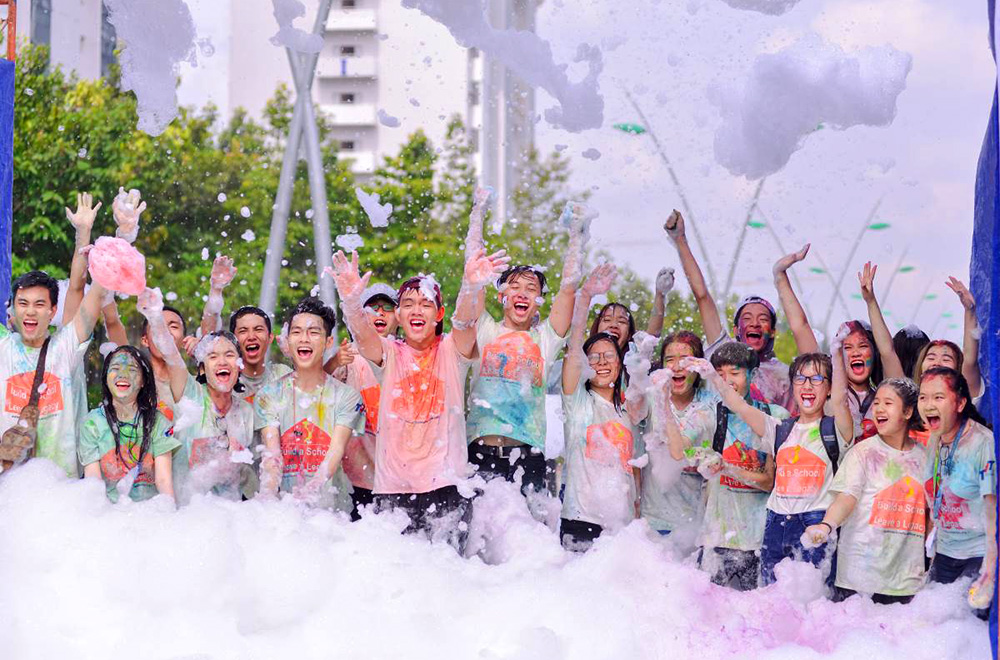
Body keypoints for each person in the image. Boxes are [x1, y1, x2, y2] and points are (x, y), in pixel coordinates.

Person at [327, 247, 509, 552]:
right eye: (408, 304)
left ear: (438, 314)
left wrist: (470, 286)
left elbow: (464, 324)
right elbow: (363, 338)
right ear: (398, 314)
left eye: (426, 304)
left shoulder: (452, 351)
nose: (416, 310)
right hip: (391, 491)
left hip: (448, 488)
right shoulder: (389, 352)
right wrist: (350, 303)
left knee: (445, 583)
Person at [688, 325, 854, 585]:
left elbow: (843, 400)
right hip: (775, 523)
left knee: (812, 605)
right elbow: (739, 405)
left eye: (817, 379)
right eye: (800, 378)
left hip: (814, 522)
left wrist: (836, 355)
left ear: (829, 388)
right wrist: (714, 376)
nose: (807, 386)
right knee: (769, 603)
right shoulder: (780, 428)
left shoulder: (835, 429)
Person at [464, 192, 584, 496]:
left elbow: (569, 290)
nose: (522, 293)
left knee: (529, 539)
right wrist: (477, 213)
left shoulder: (544, 340)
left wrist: (576, 234)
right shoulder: (485, 330)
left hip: (528, 457)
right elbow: (473, 273)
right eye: (514, 286)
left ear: (538, 303)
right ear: (502, 297)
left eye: (531, 289)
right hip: (480, 454)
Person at [0, 193, 114, 476]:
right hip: (7, 491)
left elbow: (89, 290)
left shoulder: (65, 348)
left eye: (40, 305)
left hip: (60, 494)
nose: (30, 312)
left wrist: (84, 234)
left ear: (52, 312)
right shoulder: (3, 346)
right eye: (23, 304)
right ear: (11, 310)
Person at [670, 342, 786, 590]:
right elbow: (678, 450)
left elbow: (769, 483)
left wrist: (727, 467)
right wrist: (660, 401)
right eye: (719, 375)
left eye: (734, 373)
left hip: (759, 542)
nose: (726, 382)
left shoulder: (775, 416)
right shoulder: (708, 413)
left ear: (752, 375)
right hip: (715, 540)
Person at [803, 379, 929, 604]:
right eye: (877, 402)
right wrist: (826, 525)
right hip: (860, 578)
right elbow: (846, 498)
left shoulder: (926, 457)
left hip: (907, 580)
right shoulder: (862, 453)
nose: (879, 408)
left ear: (908, 411)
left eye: (888, 403)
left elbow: (930, 513)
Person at [664, 209, 792, 409]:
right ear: (736, 330)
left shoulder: (786, 376)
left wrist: (781, 277)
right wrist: (680, 239)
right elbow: (703, 297)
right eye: (747, 318)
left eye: (763, 319)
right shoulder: (723, 355)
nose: (755, 323)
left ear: (773, 330)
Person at [138, 288, 254, 504]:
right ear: (202, 368)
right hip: (188, 516)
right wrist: (155, 317)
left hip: (232, 517)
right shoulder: (190, 396)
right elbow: (171, 355)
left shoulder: (246, 411)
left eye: (229, 355)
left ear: (239, 365)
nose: (222, 362)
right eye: (212, 356)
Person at [560, 263, 646, 551]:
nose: (603, 362)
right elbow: (574, 348)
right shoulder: (577, 402)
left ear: (621, 363)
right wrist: (584, 297)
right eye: (594, 357)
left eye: (609, 356)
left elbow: (635, 468)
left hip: (621, 527)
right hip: (579, 520)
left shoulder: (630, 410)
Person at [255, 297, 364, 511]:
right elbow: (272, 456)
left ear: (328, 342)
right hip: (284, 512)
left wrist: (311, 490)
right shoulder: (269, 395)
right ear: (287, 340)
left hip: (333, 512)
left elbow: (336, 450)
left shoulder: (347, 396)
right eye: (296, 332)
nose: (304, 339)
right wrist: (267, 497)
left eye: (313, 332)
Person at [919, 367, 996, 617]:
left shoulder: (983, 443)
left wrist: (989, 573)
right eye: (923, 397)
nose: (929, 404)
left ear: (961, 403)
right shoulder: (934, 441)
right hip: (944, 554)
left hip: (978, 556)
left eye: (938, 397)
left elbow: (994, 513)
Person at [326, 283, 399, 519]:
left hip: (399, 478)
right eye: (372, 307)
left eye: (388, 307)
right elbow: (316, 389)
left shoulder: (408, 355)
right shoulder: (350, 357)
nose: (380, 312)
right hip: (357, 478)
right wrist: (335, 362)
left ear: (399, 316)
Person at [78, 346, 179, 502]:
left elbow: (164, 481)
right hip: (111, 512)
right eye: (115, 368)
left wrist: (172, 514)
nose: (122, 374)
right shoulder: (92, 424)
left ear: (143, 380)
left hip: (149, 512)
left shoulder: (159, 422)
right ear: (106, 377)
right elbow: (94, 486)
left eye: (132, 369)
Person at [640, 331, 714, 539]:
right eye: (669, 360)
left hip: (691, 528)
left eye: (685, 359)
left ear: (698, 366)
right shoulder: (649, 397)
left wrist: (663, 401)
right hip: (650, 521)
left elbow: (678, 452)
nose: (677, 366)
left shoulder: (710, 404)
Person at [198, 255, 292, 402]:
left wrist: (294, 357)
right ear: (233, 340)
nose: (251, 336)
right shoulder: (225, 375)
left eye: (258, 329)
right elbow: (208, 341)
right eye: (243, 331)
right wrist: (215, 291)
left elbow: (313, 386)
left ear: (270, 338)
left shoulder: (281, 375)